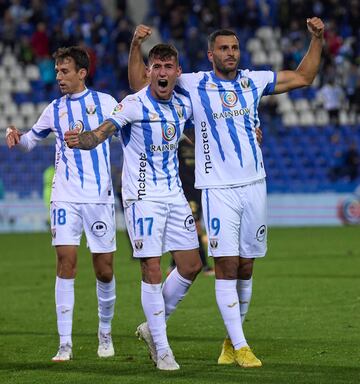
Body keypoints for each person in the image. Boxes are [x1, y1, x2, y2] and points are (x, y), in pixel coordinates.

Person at [128, 18, 324, 368]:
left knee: (247, 267)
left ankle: (228, 343)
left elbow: (303, 76)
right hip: (217, 189)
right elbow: (141, 85)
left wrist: (317, 39)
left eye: (234, 48)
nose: (230, 53)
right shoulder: (193, 83)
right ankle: (241, 344)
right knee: (225, 266)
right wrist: (137, 47)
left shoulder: (254, 80)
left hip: (254, 185)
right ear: (210, 54)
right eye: (223, 48)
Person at [65, 44, 203, 371]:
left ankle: (150, 328)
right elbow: (102, 132)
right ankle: (163, 348)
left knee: (191, 265)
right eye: (157, 66)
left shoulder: (182, 105)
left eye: (169, 66)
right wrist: (83, 138)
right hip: (141, 196)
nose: (163, 72)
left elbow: (187, 136)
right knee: (152, 268)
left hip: (173, 194)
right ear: (149, 72)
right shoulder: (133, 105)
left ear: (177, 72)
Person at [6, 46, 117, 362]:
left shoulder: (106, 103)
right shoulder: (53, 109)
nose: (59, 77)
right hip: (65, 197)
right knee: (65, 262)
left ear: (82, 73)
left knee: (105, 270)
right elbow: (31, 140)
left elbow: (128, 131)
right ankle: (65, 343)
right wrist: (16, 135)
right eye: (56, 71)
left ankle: (105, 333)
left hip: (99, 197)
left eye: (64, 71)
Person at [167, 127, 215, 276]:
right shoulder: (179, 147)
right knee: (195, 227)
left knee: (191, 228)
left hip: (200, 191)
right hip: (185, 192)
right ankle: (205, 266)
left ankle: (174, 264)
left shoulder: (204, 146)